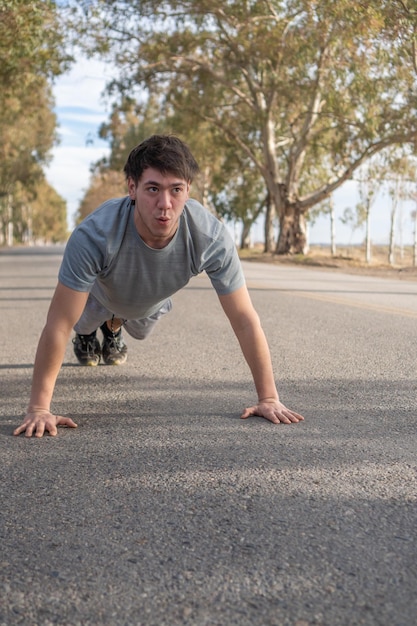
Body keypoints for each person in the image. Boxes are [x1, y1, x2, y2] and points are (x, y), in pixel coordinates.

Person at [14, 134, 304, 438]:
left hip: (151, 301)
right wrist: (38, 409)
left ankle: (114, 328)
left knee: (139, 330)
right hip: (99, 295)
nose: (164, 204)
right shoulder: (95, 235)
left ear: (188, 191)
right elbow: (59, 323)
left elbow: (244, 319)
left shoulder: (210, 237)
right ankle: (92, 334)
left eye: (175, 190)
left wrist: (269, 398)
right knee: (81, 324)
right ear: (132, 189)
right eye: (153, 189)